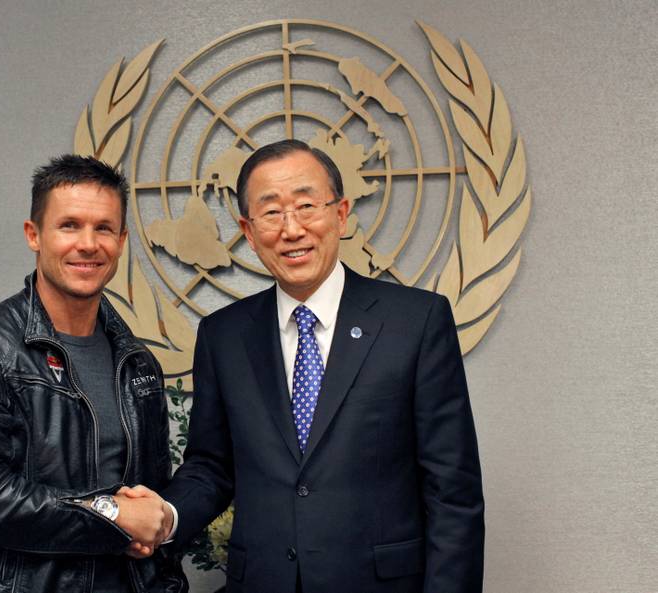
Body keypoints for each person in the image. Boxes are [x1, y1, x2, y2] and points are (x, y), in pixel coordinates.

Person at [159, 139, 485, 592]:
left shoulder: (416, 321)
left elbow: (453, 493)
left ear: (341, 212)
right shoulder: (223, 335)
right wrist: (163, 516)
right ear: (249, 231)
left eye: (307, 205)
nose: (291, 229)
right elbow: (211, 467)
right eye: (271, 213)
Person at [0, 154, 186, 593]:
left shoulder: (138, 364)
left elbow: (152, 509)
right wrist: (112, 515)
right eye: (69, 225)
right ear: (34, 235)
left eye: (103, 228)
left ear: (121, 240)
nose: (88, 244)